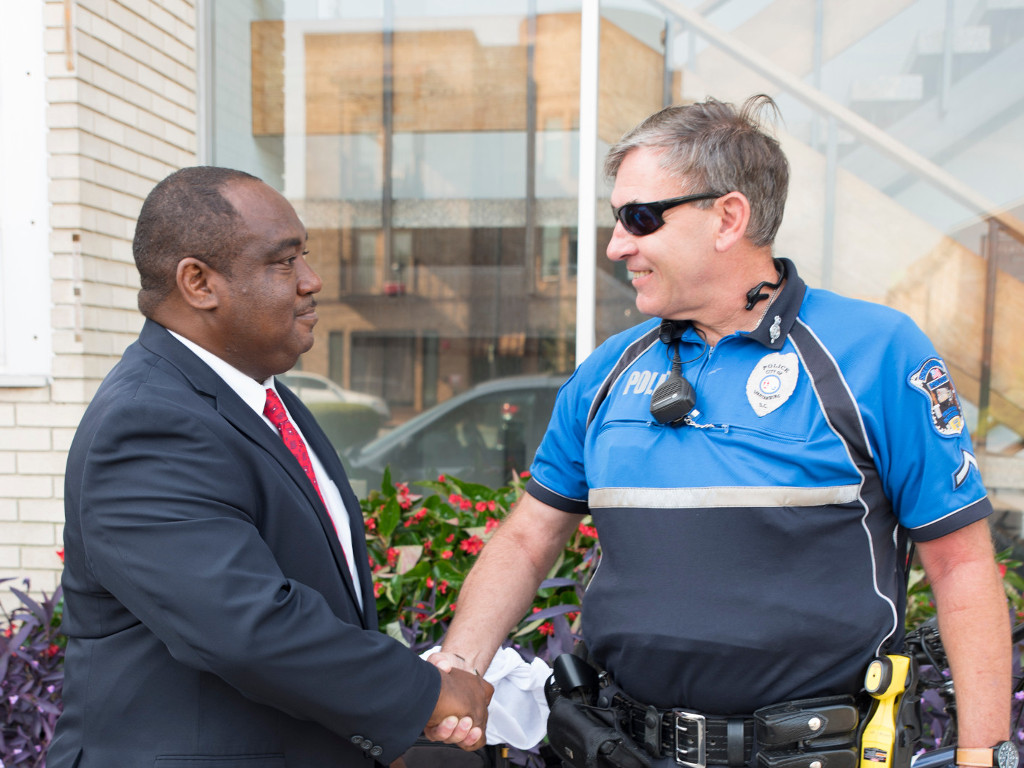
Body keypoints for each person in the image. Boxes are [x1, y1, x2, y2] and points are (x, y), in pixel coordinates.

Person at [426, 96, 1012, 768]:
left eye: (640, 218)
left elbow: (961, 564)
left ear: (729, 218)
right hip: (622, 747)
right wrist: (462, 667)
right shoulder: (607, 370)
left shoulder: (876, 352)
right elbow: (529, 538)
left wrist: (983, 754)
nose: (618, 245)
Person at [48, 166, 492, 768]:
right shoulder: (147, 424)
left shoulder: (263, 397)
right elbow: (249, 626)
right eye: (284, 262)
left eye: (304, 255)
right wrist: (428, 694)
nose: (312, 281)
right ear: (199, 283)